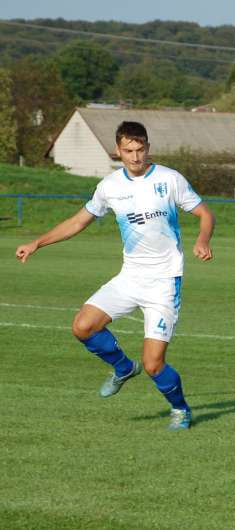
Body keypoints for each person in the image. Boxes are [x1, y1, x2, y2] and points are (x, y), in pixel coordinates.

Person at [15, 121, 214, 431]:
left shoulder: (169, 179)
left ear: (148, 148)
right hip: (129, 278)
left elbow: (204, 213)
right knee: (82, 326)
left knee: (153, 364)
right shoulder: (110, 186)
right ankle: (122, 367)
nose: (135, 157)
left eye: (140, 150)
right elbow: (78, 221)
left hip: (163, 282)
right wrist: (37, 242)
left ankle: (180, 409)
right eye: (128, 151)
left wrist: (202, 240)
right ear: (118, 151)